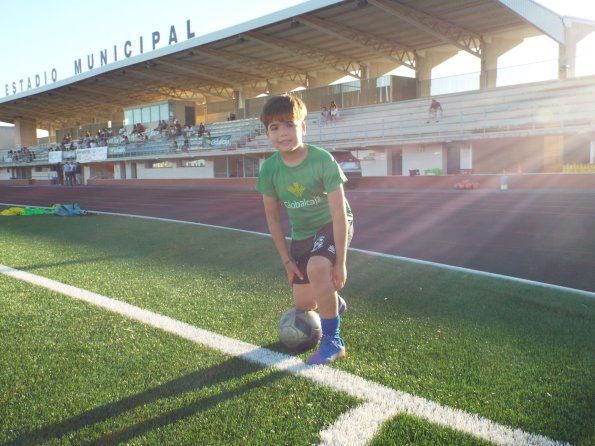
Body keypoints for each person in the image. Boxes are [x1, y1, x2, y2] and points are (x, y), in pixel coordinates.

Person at [255, 94, 354, 365]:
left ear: (303, 127)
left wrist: (340, 263)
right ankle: (333, 301)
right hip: (302, 234)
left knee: (318, 267)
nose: (282, 133)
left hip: (331, 224)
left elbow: (338, 213)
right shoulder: (270, 170)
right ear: (267, 133)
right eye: (274, 127)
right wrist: (287, 261)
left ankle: (333, 343)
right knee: (305, 305)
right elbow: (273, 220)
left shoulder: (322, 160)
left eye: (289, 124)